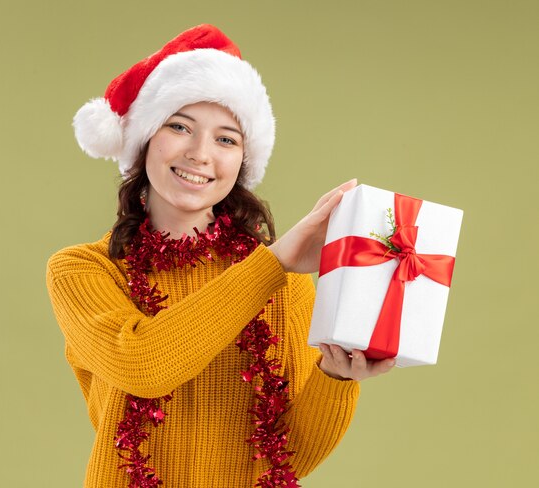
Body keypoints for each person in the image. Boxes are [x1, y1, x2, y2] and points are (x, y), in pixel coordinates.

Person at [46, 24, 394, 488]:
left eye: (226, 139)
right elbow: (142, 365)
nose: (199, 154)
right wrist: (272, 265)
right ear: (146, 138)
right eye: (179, 126)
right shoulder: (84, 269)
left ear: (243, 162)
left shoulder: (284, 282)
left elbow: (287, 455)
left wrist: (335, 375)